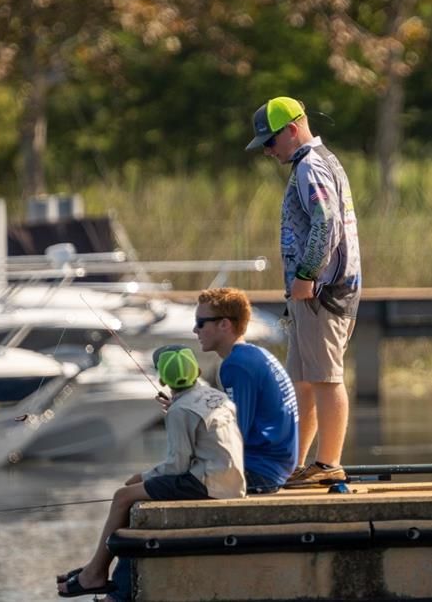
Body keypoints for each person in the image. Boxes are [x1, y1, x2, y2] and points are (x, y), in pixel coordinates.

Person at [57, 346, 245, 598]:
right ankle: (97, 568)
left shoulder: (180, 411)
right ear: (198, 371)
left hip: (206, 484)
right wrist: (178, 405)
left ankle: (95, 573)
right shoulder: (216, 397)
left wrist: (143, 476)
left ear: (162, 380)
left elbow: (177, 466)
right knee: (131, 495)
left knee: (123, 495)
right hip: (232, 481)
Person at [245, 96, 361, 487]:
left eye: (270, 140)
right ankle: (296, 465)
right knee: (304, 380)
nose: (266, 149)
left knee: (326, 378)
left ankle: (328, 464)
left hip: (322, 293)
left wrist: (307, 275)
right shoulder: (320, 162)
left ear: (292, 130)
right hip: (315, 295)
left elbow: (325, 222)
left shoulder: (311, 165)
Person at [193, 287, 299, 493]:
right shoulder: (254, 355)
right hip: (275, 468)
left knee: (140, 490)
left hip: (259, 472)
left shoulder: (236, 365)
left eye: (200, 323)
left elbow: (235, 433)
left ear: (224, 324)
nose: (195, 330)